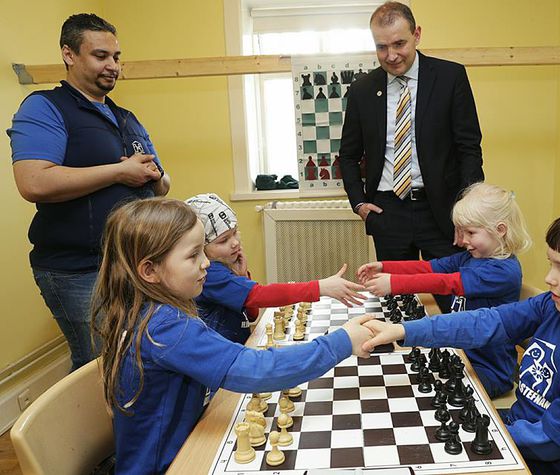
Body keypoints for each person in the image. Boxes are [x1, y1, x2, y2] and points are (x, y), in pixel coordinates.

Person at [362, 198, 560, 475]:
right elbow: (486, 322)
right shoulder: (554, 307)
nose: (549, 278)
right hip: (516, 432)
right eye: (553, 264)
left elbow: (549, 441)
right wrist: (404, 331)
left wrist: (472, 427)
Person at [90, 198, 373, 474]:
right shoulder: (166, 328)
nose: (205, 264)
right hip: (167, 465)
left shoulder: (141, 311)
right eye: (192, 255)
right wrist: (342, 340)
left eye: (203, 251)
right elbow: (258, 370)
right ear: (149, 270)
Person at [7, 13, 170, 371]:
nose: (112, 66)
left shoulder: (125, 117)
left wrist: (155, 178)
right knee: (98, 367)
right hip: (80, 270)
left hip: (129, 264)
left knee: (134, 360)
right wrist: (121, 171)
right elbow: (33, 182)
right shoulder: (44, 107)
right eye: (100, 56)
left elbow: (161, 181)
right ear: (69, 54)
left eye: (116, 57)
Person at [339, 1, 484, 311]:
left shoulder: (450, 77)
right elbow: (348, 156)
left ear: (417, 34)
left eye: (399, 43)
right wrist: (360, 203)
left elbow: (469, 148)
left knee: (454, 298)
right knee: (396, 303)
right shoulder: (363, 90)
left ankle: (458, 358)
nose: (391, 55)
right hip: (387, 212)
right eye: (382, 47)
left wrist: (468, 211)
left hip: (442, 211)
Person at [357, 182, 531, 397]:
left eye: (471, 232)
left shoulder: (503, 271)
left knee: (422, 395)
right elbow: (428, 267)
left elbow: (446, 283)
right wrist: (386, 266)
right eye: (461, 232)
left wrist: (393, 283)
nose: (462, 241)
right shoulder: (471, 256)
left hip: (488, 370)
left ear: (500, 230)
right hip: (460, 354)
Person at [186, 193, 365, 344]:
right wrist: (320, 287)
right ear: (200, 247)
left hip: (236, 345)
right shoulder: (210, 274)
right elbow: (259, 296)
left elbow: (252, 315)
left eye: (235, 232)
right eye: (223, 240)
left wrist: (242, 277)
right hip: (222, 355)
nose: (235, 242)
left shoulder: (224, 267)